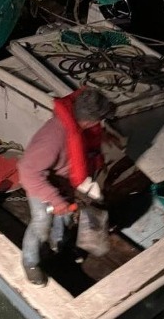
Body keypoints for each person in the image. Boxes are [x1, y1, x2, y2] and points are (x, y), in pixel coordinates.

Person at [17, 86, 114, 287]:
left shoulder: (80, 127)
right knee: (40, 223)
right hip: (42, 186)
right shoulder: (52, 138)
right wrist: (55, 199)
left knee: (66, 218)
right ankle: (30, 263)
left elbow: (80, 152)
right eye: (100, 119)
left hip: (65, 183)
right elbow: (27, 172)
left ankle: (57, 244)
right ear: (90, 120)